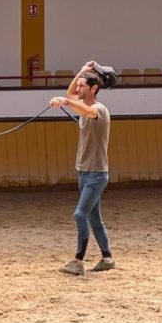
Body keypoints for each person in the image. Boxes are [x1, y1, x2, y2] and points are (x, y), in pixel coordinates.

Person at [49, 61, 115, 275]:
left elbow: (86, 110)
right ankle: (107, 257)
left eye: (82, 86)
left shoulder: (99, 109)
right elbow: (71, 95)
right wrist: (81, 72)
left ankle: (78, 260)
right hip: (84, 171)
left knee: (80, 214)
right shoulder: (81, 101)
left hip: (96, 174)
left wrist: (66, 101)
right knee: (94, 217)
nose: (78, 90)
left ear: (94, 88)